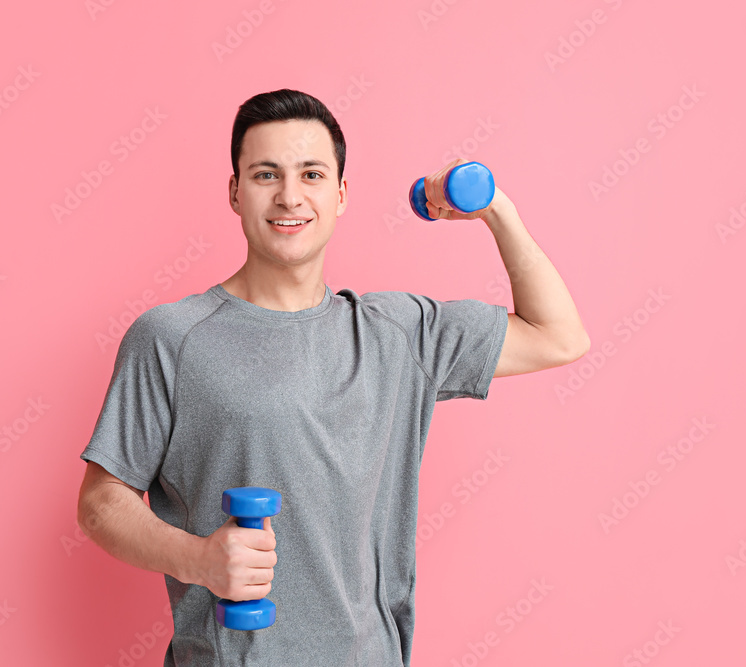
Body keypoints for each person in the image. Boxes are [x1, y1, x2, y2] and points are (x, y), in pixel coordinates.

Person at [76, 88, 589, 666]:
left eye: (312, 174)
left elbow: (559, 336)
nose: (290, 196)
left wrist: (494, 208)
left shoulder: (398, 333)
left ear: (341, 194)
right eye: (266, 174)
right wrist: (198, 559)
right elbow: (100, 502)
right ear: (235, 192)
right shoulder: (171, 336)